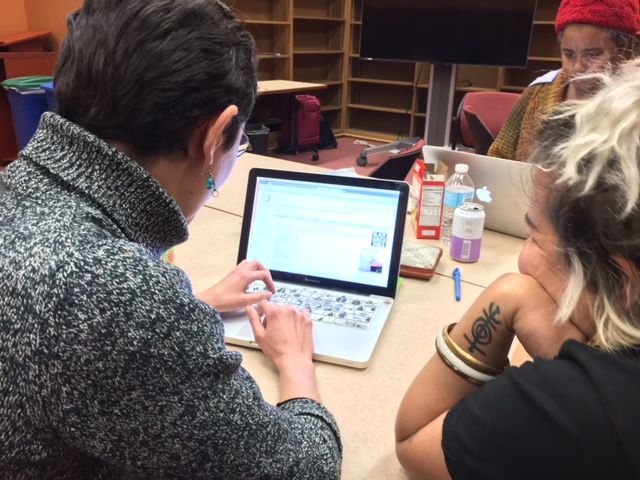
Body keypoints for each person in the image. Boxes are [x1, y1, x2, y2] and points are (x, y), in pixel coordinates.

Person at [0, 1, 342, 478]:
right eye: (238, 144)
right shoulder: (116, 295)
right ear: (215, 134)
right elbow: (302, 470)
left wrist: (193, 303)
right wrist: (295, 362)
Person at [396, 57, 640, 479]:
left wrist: (507, 296)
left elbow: (413, 443)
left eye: (535, 236)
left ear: (623, 282)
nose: (524, 259)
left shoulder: (577, 404)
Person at [488, 0, 640, 161]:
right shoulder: (538, 90)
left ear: (629, 49)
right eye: (569, 54)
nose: (578, 67)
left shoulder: (634, 107)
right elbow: (498, 155)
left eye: (592, 55)